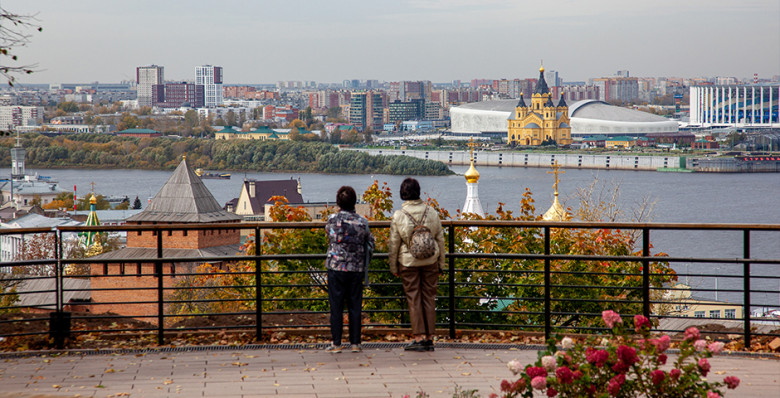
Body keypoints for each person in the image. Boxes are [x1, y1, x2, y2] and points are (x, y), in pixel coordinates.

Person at [388, 178, 446, 352]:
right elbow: (440, 240)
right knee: (429, 298)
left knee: (414, 298)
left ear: (403, 193)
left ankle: (419, 338)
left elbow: (394, 245)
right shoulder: (432, 212)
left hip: (408, 262)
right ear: (418, 191)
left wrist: (393, 267)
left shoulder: (399, 215)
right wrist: (441, 264)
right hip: (431, 260)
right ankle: (430, 338)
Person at [324, 186, 374, 353]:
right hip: (355, 268)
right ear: (354, 202)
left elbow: (329, 235)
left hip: (336, 267)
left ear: (338, 202)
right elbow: (370, 242)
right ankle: (355, 343)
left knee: (336, 306)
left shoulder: (332, 220)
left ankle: (336, 343)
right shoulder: (362, 222)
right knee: (355, 306)